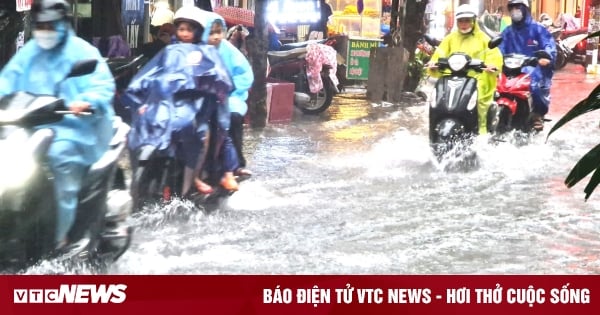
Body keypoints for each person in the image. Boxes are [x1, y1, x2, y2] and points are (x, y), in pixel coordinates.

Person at [0, 0, 115, 248]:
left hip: (74, 127)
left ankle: (60, 239)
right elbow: (6, 82)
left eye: (50, 25)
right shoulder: (29, 52)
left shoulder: (83, 52)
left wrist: (85, 102)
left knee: (61, 162)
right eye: (40, 25)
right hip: (28, 128)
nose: (45, 30)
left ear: (63, 23)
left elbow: (102, 85)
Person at [124, 5, 233, 196]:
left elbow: (220, 78)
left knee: (203, 135)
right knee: (139, 130)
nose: (184, 33)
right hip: (166, 105)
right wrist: (142, 99)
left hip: (196, 107)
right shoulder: (169, 51)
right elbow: (151, 74)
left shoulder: (207, 53)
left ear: (197, 31)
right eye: (181, 29)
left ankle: (196, 177)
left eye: (189, 29)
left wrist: (205, 85)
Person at [427, 4, 503, 135]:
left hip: (478, 78)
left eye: (467, 20)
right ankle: (433, 132)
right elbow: (440, 53)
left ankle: (481, 132)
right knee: (437, 100)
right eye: (461, 21)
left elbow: (494, 55)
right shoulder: (450, 38)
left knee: (478, 102)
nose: (464, 24)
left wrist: (491, 66)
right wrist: (433, 64)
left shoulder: (483, 39)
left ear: (473, 21)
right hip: (451, 77)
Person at [203, 11, 254, 188]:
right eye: (211, 32)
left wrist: (228, 93)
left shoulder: (229, 50)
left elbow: (245, 74)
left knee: (232, 117)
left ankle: (236, 165)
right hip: (202, 98)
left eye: (219, 32)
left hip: (230, 97)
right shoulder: (195, 50)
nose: (215, 36)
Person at [499, 0, 556, 131]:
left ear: (525, 9)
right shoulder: (507, 31)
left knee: (534, 86)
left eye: (517, 8)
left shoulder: (538, 29)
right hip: (510, 68)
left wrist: (546, 56)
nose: (515, 11)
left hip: (532, 68)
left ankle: (537, 114)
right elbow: (500, 48)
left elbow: (548, 45)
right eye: (512, 8)